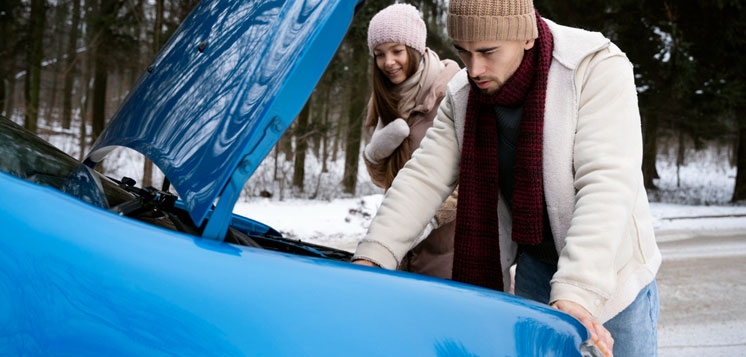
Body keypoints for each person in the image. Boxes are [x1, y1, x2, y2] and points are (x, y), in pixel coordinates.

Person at [353, 0, 662, 356]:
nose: (474, 69)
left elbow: (606, 183)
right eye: (463, 53)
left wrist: (577, 291)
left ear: (525, 37)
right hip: (536, 268)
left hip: (610, 275)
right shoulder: (463, 93)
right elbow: (423, 178)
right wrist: (374, 255)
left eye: (487, 51)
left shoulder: (594, 67)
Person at [362, 3, 460, 279]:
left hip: (445, 250)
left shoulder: (451, 97)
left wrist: (422, 219)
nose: (388, 62)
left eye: (397, 51)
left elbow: (468, 180)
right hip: (400, 248)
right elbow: (385, 181)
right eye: (379, 54)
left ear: (415, 49)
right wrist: (374, 157)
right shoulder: (384, 100)